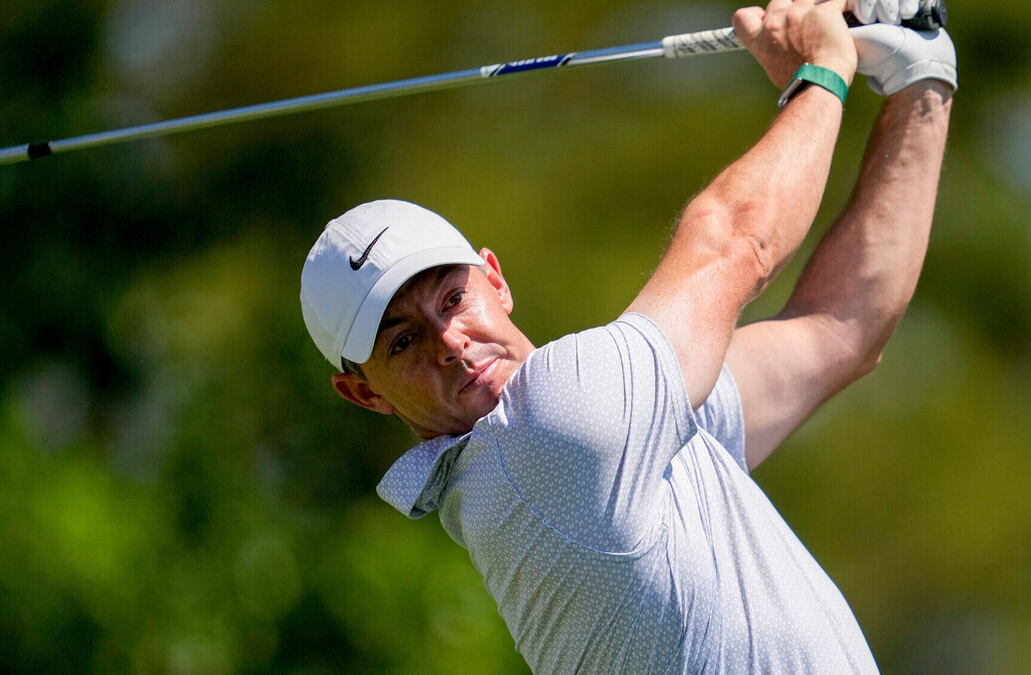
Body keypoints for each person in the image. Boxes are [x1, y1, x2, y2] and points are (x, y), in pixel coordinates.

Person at [299, 0, 955, 671]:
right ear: (363, 393)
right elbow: (734, 241)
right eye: (402, 342)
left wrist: (920, 79)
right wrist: (822, 70)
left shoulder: (619, 435)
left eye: (453, 298)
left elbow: (840, 330)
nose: (450, 342)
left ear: (494, 278)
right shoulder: (547, 431)